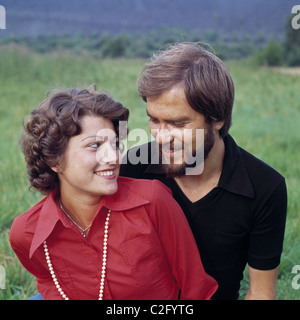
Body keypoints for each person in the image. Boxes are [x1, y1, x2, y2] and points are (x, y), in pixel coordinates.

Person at [9, 87, 217, 300]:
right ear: (54, 160)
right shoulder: (27, 233)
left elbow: (196, 289)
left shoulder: (152, 201)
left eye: (115, 144)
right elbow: (47, 280)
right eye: (95, 145)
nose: (113, 157)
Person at [120, 42, 288, 300]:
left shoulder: (265, 187)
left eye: (178, 123)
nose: (162, 137)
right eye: (154, 120)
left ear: (218, 118)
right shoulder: (134, 166)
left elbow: (262, 293)